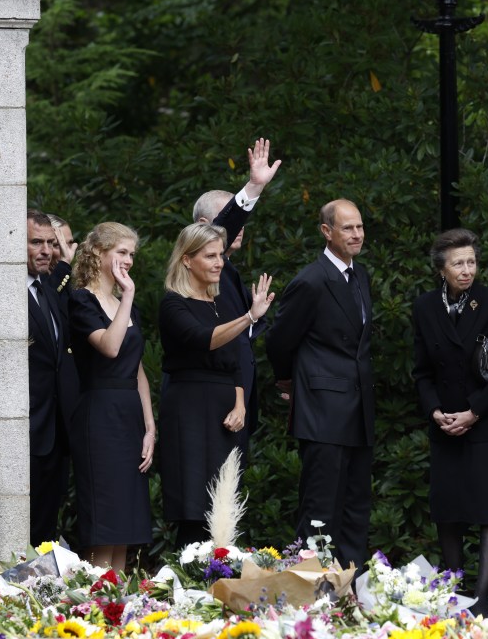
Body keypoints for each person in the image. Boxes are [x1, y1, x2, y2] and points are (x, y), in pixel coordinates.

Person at [411, 228, 488, 618]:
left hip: (486, 423)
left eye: (471, 261)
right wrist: (435, 410)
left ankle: (484, 598)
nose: (467, 269)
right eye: (458, 263)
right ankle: (456, 590)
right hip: (445, 425)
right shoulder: (424, 307)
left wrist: (474, 412)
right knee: (449, 511)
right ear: (442, 268)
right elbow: (421, 371)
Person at [265, 199, 374, 572]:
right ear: (327, 232)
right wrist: (289, 380)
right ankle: (310, 588)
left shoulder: (360, 276)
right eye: (348, 228)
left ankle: (350, 581)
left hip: (358, 408)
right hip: (324, 409)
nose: (357, 234)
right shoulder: (311, 280)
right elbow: (279, 340)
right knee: (320, 506)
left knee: (356, 503)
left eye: (359, 227)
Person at [157, 223, 275, 547]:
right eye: (210, 256)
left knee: (223, 507)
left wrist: (241, 405)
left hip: (226, 413)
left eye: (220, 255)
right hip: (191, 410)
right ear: (186, 259)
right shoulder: (173, 303)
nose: (219, 263)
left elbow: (236, 360)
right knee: (195, 506)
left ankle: (220, 585)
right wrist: (249, 317)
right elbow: (203, 339)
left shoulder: (220, 302)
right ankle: (188, 590)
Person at [67, 222, 154, 572]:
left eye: (132, 254)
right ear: (99, 253)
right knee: (106, 519)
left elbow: (137, 369)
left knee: (125, 523)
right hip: (99, 415)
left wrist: (150, 426)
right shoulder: (81, 299)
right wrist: (128, 295)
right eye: (121, 252)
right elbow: (111, 347)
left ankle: (117, 604)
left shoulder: (122, 302)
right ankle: (93, 602)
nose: (128, 260)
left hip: (130, 415)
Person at [192, 138, 281, 462]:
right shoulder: (196, 268)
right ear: (204, 227)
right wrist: (253, 188)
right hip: (215, 400)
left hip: (236, 401)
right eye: (231, 221)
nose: (240, 229)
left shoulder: (227, 270)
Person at [26, 210, 78, 546]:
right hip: (27, 429)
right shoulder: (6, 294)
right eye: (36, 242)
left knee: (45, 527)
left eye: (50, 243)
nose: (46, 250)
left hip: (57, 431)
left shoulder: (47, 288)